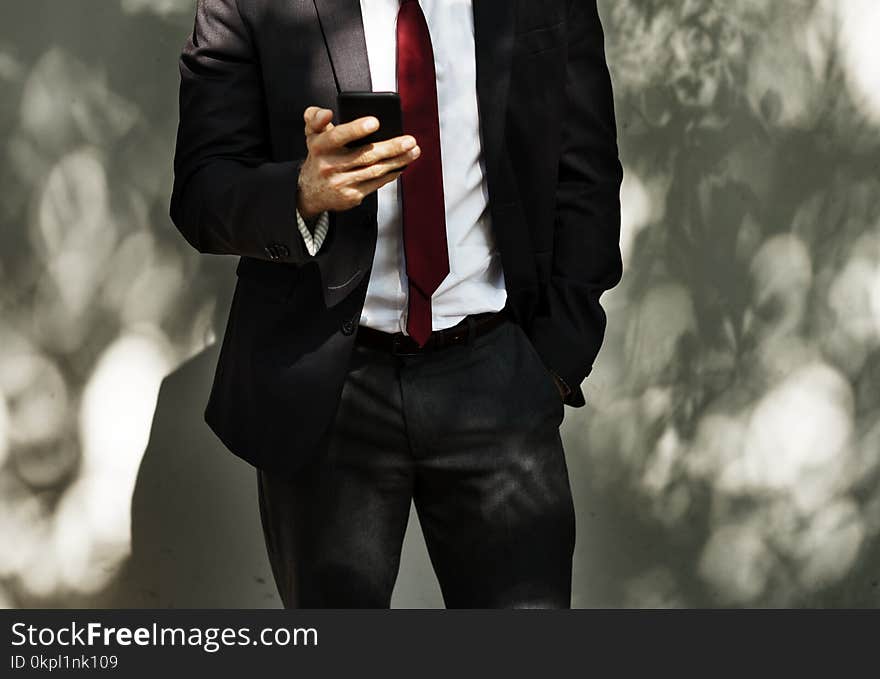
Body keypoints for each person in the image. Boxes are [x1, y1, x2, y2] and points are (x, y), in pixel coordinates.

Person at [169, 0, 622, 608]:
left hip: (498, 375)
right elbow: (202, 188)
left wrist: (557, 361)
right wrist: (302, 194)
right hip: (327, 393)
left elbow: (587, 168)